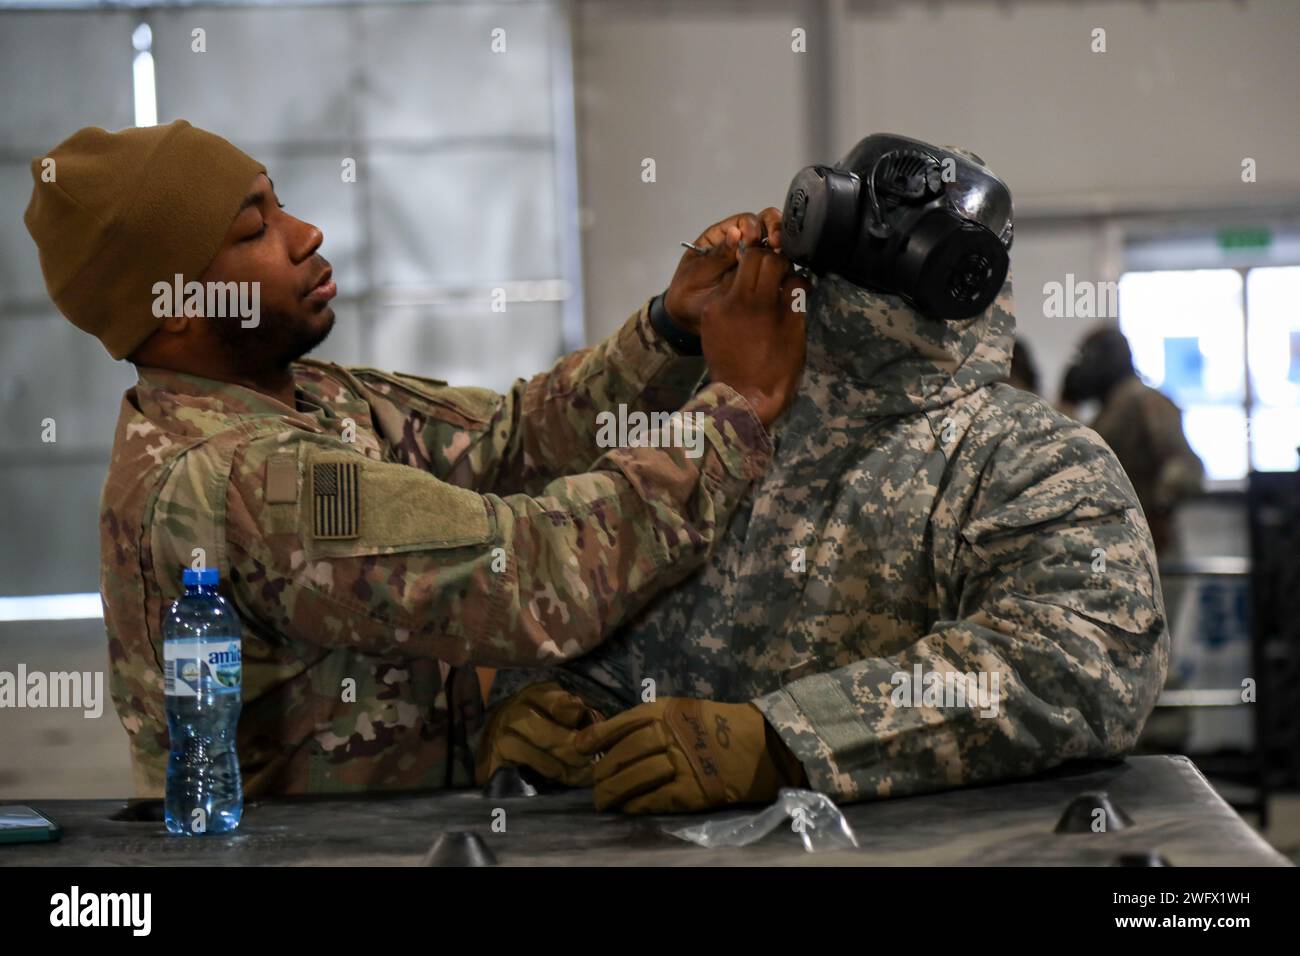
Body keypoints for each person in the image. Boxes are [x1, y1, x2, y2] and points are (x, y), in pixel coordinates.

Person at [22, 119, 808, 796]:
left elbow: (512, 439)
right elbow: (533, 578)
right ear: (175, 310)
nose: (306, 234)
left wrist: (668, 332)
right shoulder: (251, 481)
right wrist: (736, 406)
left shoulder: (311, 397)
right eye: (253, 231)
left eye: (280, 203)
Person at [478, 139, 1170, 815]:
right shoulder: (723, 431)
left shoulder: (1033, 459)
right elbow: (596, 584)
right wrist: (547, 697)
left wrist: (786, 740)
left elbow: (1077, 666)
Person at [1060, 326, 1204, 557]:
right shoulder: (1110, 406)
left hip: (1149, 542)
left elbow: (1187, 466)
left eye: (1087, 357)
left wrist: (1160, 508)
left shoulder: (1144, 401)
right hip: (1113, 541)